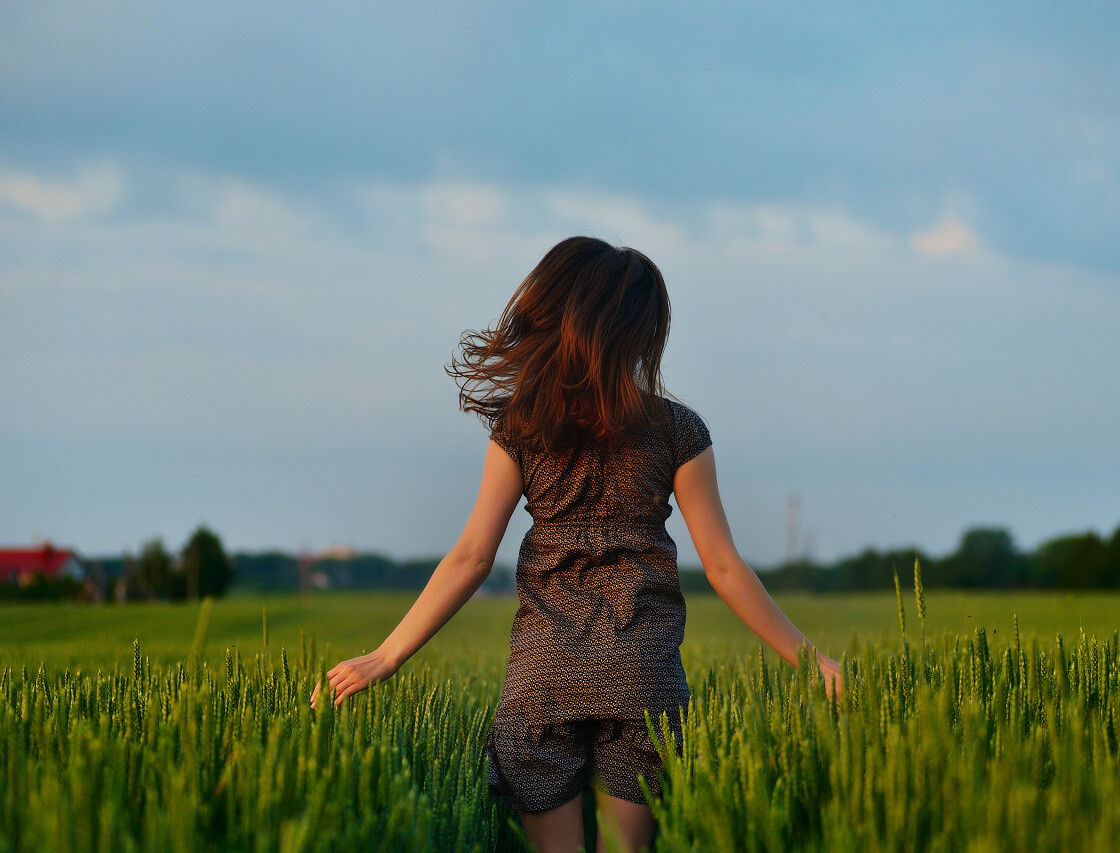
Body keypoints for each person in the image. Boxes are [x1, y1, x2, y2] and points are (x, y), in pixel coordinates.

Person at [311, 236, 843, 853]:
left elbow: (471, 558)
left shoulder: (524, 427)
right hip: (640, 677)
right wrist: (812, 660)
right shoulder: (677, 430)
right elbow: (723, 566)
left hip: (544, 678)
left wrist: (385, 656)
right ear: (641, 334)